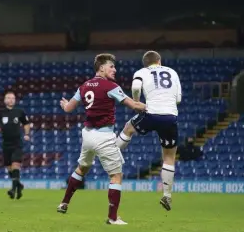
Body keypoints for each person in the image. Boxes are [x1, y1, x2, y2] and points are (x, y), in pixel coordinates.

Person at [56, 53, 146, 225]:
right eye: (111, 66)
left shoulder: (84, 86)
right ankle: (113, 218)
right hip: (103, 136)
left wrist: (64, 104)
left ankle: (64, 202)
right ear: (101, 68)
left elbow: (68, 108)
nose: (115, 69)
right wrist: (154, 108)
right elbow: (134, 105)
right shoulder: (110, 86)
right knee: (116, 175)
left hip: (87, 135)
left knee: (82, 169)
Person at [115, 50, 182, 211]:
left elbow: (136, 86)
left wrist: (137, 102)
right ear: (159, 61)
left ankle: (111, 155)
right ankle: (167, 195)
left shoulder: (142, 72)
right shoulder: (172, 72)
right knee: (169, 157)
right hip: (170, 117)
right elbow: (178, 99)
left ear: (145, 63)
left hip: (151, 112)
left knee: (128, 129)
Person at [0, 91, 31, 199]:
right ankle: (19, 185)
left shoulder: (20, 112)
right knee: (9, 168)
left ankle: (13, 190)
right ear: (4, 100)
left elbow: (26, 123)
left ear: (15, 100)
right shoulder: (0, 112)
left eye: (12, 98)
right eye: (8, 98)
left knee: (15, 165)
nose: (10, 99)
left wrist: (26, 134)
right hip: (5, 144)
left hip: (17, 143)